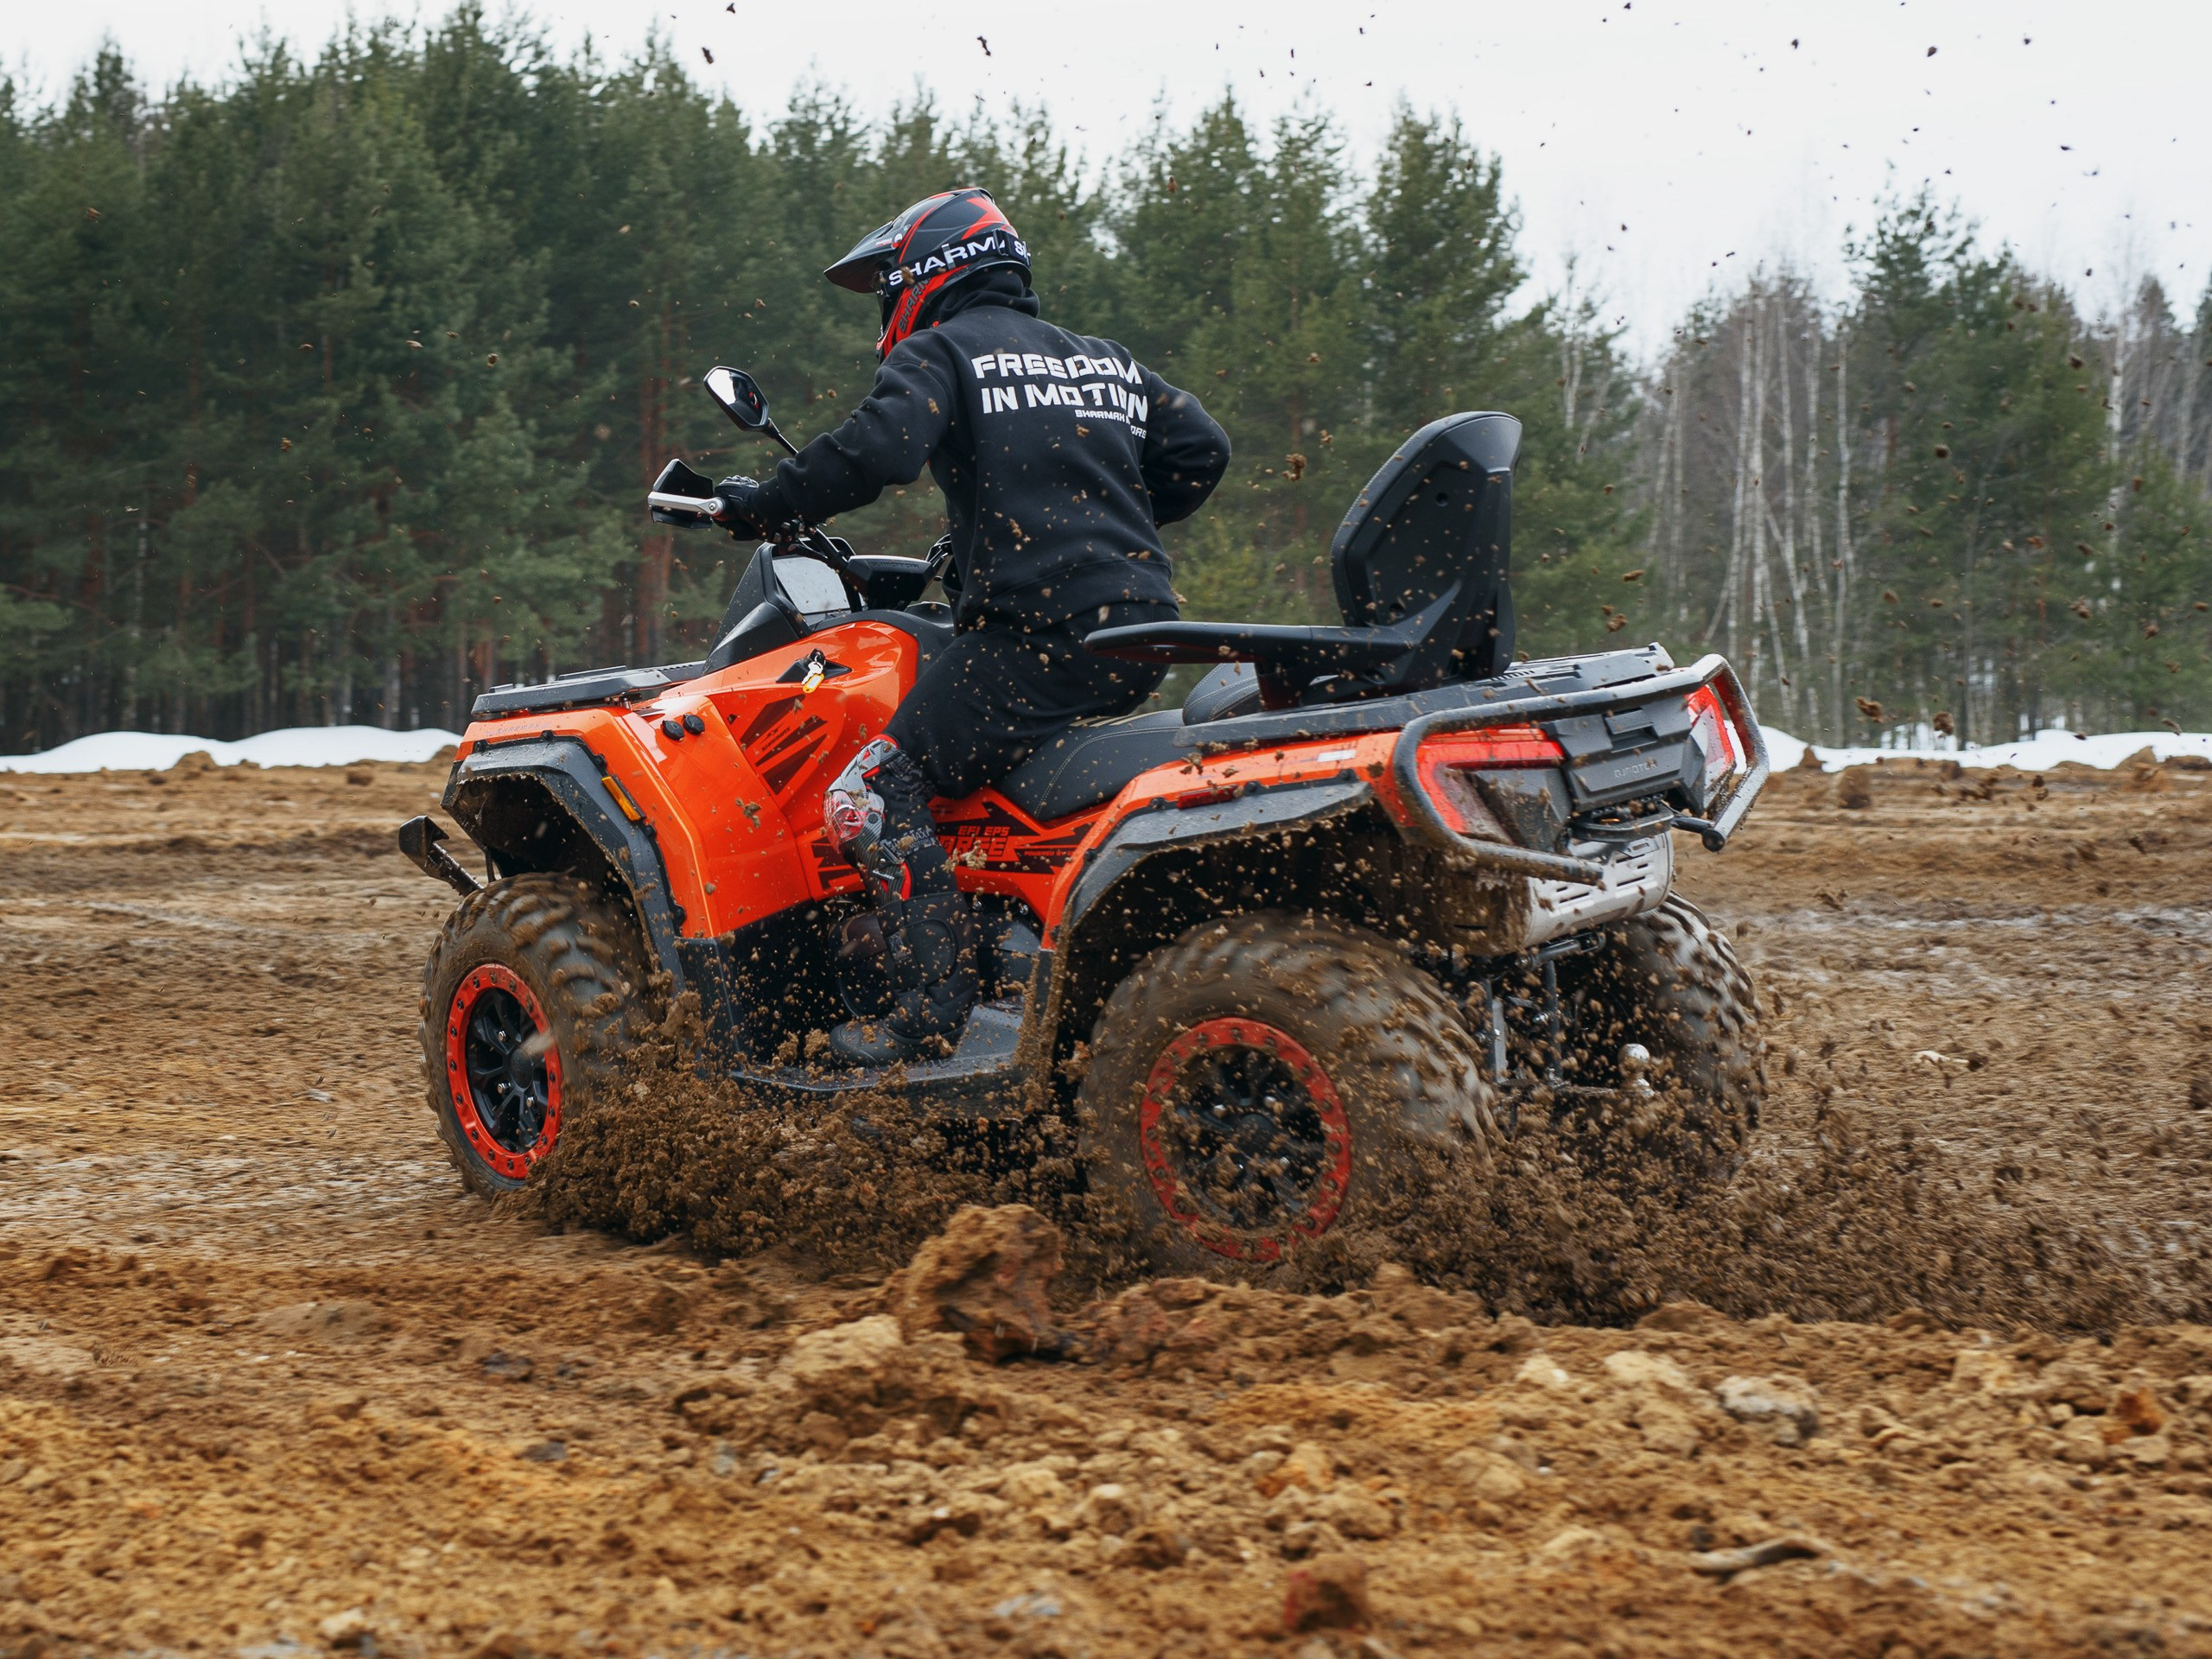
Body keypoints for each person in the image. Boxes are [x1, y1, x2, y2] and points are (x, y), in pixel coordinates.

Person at [714, 188, 1230, 1065]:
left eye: (888, 286)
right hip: (1137, 633)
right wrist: (1100, 522)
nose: (885, 307)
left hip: (1034, 637)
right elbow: (1201, 450)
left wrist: (765, 504)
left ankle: (926, 1015)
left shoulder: (944, 349)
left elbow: (880, 448)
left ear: (924, 273)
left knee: (868, 792)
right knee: (974, 775)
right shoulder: (1101, 359)